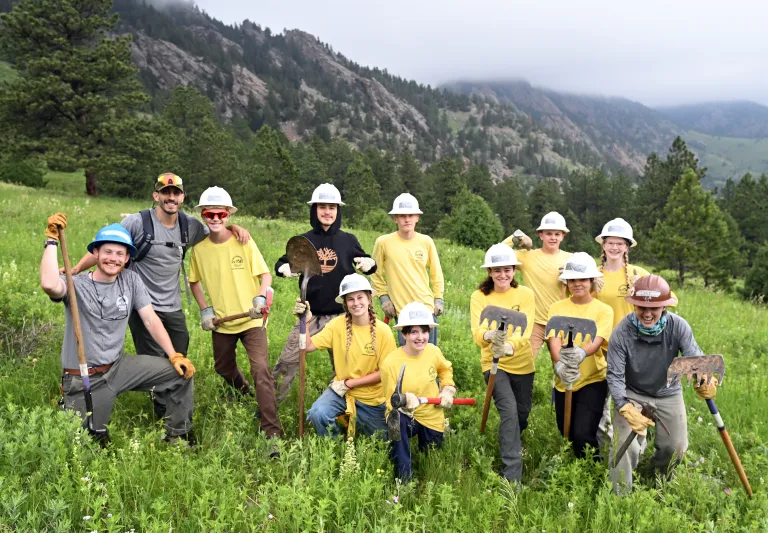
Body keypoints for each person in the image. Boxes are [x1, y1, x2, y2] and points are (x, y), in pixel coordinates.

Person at [69, 173, 249, 416]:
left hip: (172, 306)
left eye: (176, 193)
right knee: (155, 360)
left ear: (183, 197)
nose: (171, 198)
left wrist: (234, 226)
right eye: (165, 193)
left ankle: (175, 402)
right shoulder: (137, 222)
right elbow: (107, 245)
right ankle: (163, 412)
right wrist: (77, 269)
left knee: (178, 355)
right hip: (142, 308)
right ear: (156, 196)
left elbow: (216, 231)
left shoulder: (190, 226)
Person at [40, 215, 195, 443]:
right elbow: (49, 284)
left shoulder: (131, 281)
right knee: (87, 442)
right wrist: (51, 242)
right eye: (108, 252)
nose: (113, 259)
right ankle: (76, 408)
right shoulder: (77, 285)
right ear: (96, 254)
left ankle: (178, 437)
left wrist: (173, 355)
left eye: (120, 253)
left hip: (118, 367)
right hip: (85, 376)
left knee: (180, 374)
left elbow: (151, 320)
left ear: (127, 258)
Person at [188, 187, 282, 441]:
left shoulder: (243, 241)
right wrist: (205, 310)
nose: (215, 219)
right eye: (210, 214)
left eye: (220, 214)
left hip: (252, 319)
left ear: (228, 214)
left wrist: (260, 297)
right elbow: (194, 282)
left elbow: (265, 274)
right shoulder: (199, 249)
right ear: (203, 215)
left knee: (261, 369)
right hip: (222, 323)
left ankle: (271, 430)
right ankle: (243, 391)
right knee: (223, 367)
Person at [607, 275, 714, 494]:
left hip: (668, 392)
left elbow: (693, 358)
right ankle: (621, 496)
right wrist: (623, 405)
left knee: (675, 448)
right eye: (641, 307)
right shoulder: (622, 332)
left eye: (654, 307)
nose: (647, 313)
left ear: (665, 306)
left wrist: (704, 378)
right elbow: (615, 375)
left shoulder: (678, 327)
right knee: (623, 446)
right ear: (634, 304)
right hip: (632, 392)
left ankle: (658, 479)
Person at [272, 183, 376, 403]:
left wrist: (369, 263)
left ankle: (346, 410)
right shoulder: (304, 240)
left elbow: (367, 261)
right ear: (314, 209)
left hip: (341, 317)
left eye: (332, 207)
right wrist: (284, 269)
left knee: (345, 367)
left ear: (338, 210)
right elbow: (282, 263)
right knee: (287, 361)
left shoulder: (348, 240)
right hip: (309, 315)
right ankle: (268, 411)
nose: (327, 212)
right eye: (322, 207)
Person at [470, 243, 536, 484]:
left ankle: (511, 443)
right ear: (489, 272)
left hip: (522, 363)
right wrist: (489, 337)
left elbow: (526, 329)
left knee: (521, 415)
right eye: (497, 270)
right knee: (508, 413)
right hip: (493, 364)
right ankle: (512, 476)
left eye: (507, 269)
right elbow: (477, 331)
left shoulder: (525, 295)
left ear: (514, 270)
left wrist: (509, 346)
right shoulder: (480, 297)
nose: (502, 275)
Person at [300, 274, 396, 437]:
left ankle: (351, 420)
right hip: (342, 392)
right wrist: (305, 321)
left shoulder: (383, 331)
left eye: (360, 297)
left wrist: (350, 383)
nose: (356, 303)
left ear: (369, 299)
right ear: (345, 303)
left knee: (384, 439)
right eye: (350, 299)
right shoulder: (337, 325)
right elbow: (307, 346)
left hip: (372, 398)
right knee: (318, 413)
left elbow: (385, 373)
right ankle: (335, 447)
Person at [546, 252, 614, 459]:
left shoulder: (603, 310)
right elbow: (554, 338)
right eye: (572, 280)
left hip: (592, 379)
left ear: (592, 281)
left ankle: (590, 469)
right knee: (565, 430)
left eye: (582, 279)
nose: (577, 284)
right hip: (564, 380)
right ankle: (574, 469)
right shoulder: (557, 307)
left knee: (583, 433)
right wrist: (560, 364)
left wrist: (581, 353)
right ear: (566, 282)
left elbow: (598, 339)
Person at [380, 302, 456, 482]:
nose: (420, 337)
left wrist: (448, 389)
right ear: (404, 334)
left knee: (431, 456)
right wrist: (405, 402)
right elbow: (391, 399)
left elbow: (445, 370)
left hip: (431, 413)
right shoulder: (391, 363)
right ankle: (404, 480)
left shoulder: (433, 351)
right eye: (414, 332)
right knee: (396, 423)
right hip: (406, 416)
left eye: (424, 331)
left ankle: (429, 476)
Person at [372, 193, 444, 346]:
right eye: (402, 215)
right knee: (407, 357)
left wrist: (439, 298)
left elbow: (436, 273)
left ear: (417, 217)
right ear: (395, 218)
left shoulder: (426, 242)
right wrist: (384, 298)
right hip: (402, 312)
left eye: (411, 215)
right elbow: (375, 274)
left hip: (426, 309)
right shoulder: (383, 242)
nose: (407, 219)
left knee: (429, 356)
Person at [502, 211, 572, 355]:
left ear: (563, 236)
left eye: (557, 234)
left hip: (561, 323)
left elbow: (584, 287)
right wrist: (517, 238)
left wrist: (570, 277)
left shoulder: (570, 259)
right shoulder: (527, 256)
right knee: (525, 362)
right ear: (541, 235)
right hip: (534, 322)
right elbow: (498, 252)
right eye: (548, 233)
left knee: (564, 366)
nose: (553, 237)